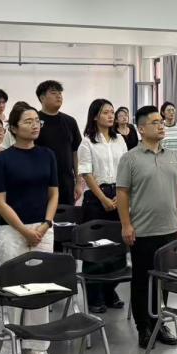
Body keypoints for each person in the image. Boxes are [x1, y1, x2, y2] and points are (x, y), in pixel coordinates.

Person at [0, 102, 59, 354]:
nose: (35, 125)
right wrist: (24, 230)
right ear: (14, 127)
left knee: (41, 289)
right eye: (28, 121)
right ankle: (12, 351)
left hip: (43, 228)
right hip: (12, 230)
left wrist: (45, 224)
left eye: (37, 121)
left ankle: (37, 347)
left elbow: (54, 193)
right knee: (13, 291)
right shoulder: (2, 159)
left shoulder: (47, 155)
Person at [116, 105, 177, 348]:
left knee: (164, 279)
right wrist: (126, 225)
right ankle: (143, 327)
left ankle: (158, 322)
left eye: (161, 122)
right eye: (155, 122)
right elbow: (122, 193)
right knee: (142, 280)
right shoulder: (130, 158)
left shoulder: (171, 156)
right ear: (141, 128)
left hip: (168, 228)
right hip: (142, 230)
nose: (161, 125)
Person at [76, 98, 128, 314]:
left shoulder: (119, 140)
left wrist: (121, 196)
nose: (110, 116)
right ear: (95, 116)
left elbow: (126, 167)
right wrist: (103, 199)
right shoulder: (87, 142)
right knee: (96, 249)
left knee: (117, 248)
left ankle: (109, 291)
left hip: (119, 192)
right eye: (106, 112)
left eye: (112, 112)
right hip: (96, 197)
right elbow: (86, 174)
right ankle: (94, 296)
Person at [34, 80, 82, 206]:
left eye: (60, 93)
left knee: (67, 216)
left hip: (66, 183)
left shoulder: (70, 121)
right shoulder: (35, 121)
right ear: (42, 97)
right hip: (41, 182)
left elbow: (76, 153)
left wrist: (78, 182)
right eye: (54, 93)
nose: (59, 96)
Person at [160, 102, 177, 172]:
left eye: (173, 110)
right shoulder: (160, 127)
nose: (171, 112)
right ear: (163, 113)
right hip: (163, 166)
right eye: (168, 110)